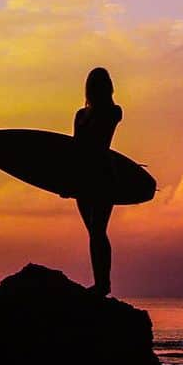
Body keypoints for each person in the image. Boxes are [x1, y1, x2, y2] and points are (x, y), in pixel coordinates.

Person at [73, 67, 122, 296]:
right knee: (94, 232)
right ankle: (101, 283)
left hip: (103, 175)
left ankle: (103, 284)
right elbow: (75, 148)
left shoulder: (113, 111)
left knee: (98, 231)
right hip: (83, 176)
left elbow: (96, 138)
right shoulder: (80, 115)